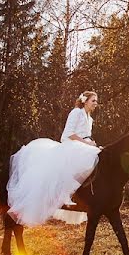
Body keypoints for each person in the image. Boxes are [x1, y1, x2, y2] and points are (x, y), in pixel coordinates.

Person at [6, 91, 102, 226]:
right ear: (85, 101)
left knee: (98, 157)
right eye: (93, 101)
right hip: (72, 145)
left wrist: (92, 144)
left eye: (96, 101)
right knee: (86, 159)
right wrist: (86, 143)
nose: (96, 104)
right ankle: (68, 194)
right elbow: (68, 134)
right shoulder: (76, 112)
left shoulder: (89, 118)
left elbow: (86, 136)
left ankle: (85, 196)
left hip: (84, 146)